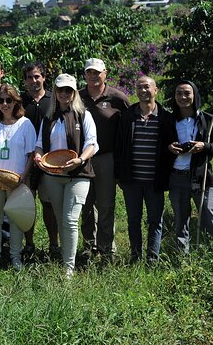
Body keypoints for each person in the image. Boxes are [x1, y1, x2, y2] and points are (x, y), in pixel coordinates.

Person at [34, 74, 98, 278]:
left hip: (78, 174)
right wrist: (37, 156)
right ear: (56, 91)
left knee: (70, 220)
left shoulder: (83, 115)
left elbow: (92, 143)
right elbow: (39, 144)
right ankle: (65, 257)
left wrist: (80, 160)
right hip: (53, 175)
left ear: (74, 93)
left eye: (68, 90)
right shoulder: (49, 116)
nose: (64, 93)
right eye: (60, 89)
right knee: (61, 220)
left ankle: (68, 269)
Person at [115, 76, 174, 264]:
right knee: (133, 220)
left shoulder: (165, 118)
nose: (143, 90)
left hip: (155, 180)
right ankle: (135, 256)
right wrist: (119, 174)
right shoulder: (128, 115)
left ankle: (152, 259)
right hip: (132, 180)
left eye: (147, 87)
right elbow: (119, 147)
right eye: (139, 87)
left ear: (155, 90)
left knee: (155, 220)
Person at [165, 80, 213, 254]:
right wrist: (169, 148)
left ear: (195, 95)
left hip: (202, 178)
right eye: (179, 93)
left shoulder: (207, 119)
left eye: (187, 93)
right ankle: (182, 262)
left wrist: (204, 146)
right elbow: (161, 147)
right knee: (180, 224)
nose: (183, 97)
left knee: (212, 221)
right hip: (177, 178)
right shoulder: (169, 121)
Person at [0, 84, 36, 272]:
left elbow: (31, 155)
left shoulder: (25, 124)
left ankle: (15, 257)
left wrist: (23, 176)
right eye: (1, 100)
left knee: (15, 218)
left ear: (16, 102)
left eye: (9, 100)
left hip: (17, 180)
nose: (5, 104)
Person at [78, 58, 129, 262]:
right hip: (82, 159)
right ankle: (89, 247)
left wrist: (122, 163)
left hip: (107, 157)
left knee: (106, 205)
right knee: (86, 205)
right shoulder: (77, 97)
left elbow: (127, 130)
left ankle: (107, 249)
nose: (93, 76)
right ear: (85, 75)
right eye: (89, 72)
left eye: (97, 72)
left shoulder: (117, 98)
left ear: (105, 73)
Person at [21, 62, 59, 260]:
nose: (34, 81)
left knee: (49, 204)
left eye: (37, 76)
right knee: (27, 204)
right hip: (25, 161)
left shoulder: (53, 100)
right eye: (29, 77)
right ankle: (28, 245)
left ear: (44, 77)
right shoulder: (20, 100)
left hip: (48, 161)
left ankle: (54, 244)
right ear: (25, 80)